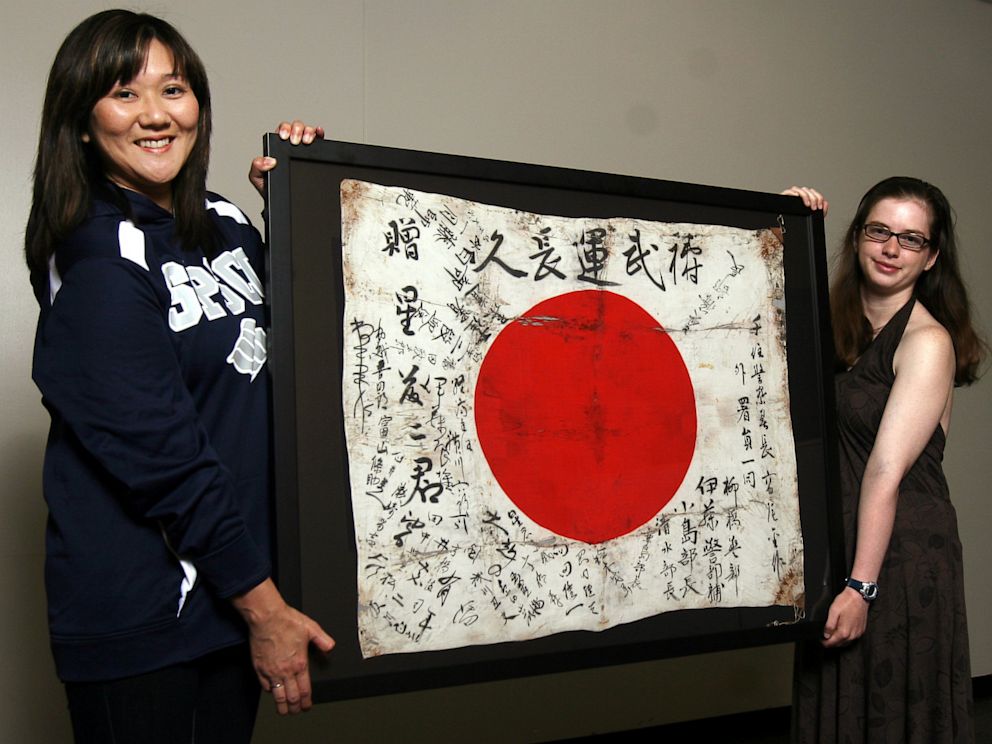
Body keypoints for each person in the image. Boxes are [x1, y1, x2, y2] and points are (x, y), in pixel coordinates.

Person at [26, 10, 333, 742]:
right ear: (81, 118)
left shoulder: (223, 220)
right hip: (147, 619)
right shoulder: (98, 260)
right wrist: (265, 610)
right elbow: (164, 461)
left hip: (235, 592)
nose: (157, 115)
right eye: (125, 95)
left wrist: (301, 199)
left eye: (175, 89)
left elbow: (313, 350)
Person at [784, 180, 985, 743]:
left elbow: (884, 472)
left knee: (889, 716)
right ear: (858, 236)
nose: (891, 249)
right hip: (843, 544)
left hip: (898, 556)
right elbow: (759, 333)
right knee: (837, 710)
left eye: (911, 239)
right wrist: (784, 226)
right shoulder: (838, 329)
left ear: (932, 256)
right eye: (879, 231)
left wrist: (860, 588)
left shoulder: (926, 341)